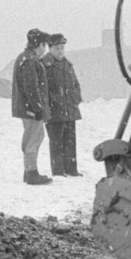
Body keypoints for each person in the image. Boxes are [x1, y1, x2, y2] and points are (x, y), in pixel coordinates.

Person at [11, 28, 53, 185]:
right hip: (30, 108)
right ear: (40, 45)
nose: (45, 50)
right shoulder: (30, 61)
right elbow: (31, 87)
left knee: (35, 136)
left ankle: (30, 171)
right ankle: (31, 172)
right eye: (45, 45)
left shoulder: (25, 58)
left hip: (27, 107)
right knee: (33, 138)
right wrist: (37, 108)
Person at [41, 33, 83, 177]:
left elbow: (76, 84)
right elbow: (43, 89)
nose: (60, 51)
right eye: (57, 48)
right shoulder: (44, 65)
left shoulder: (67, 64)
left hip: (70, 108)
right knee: (56, 142)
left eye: (62, 48)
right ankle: (58, 171)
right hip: (55, 110)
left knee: (70, 141)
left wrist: (75, 98)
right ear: (50, 48)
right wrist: (50, 105)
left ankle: (71, 169)